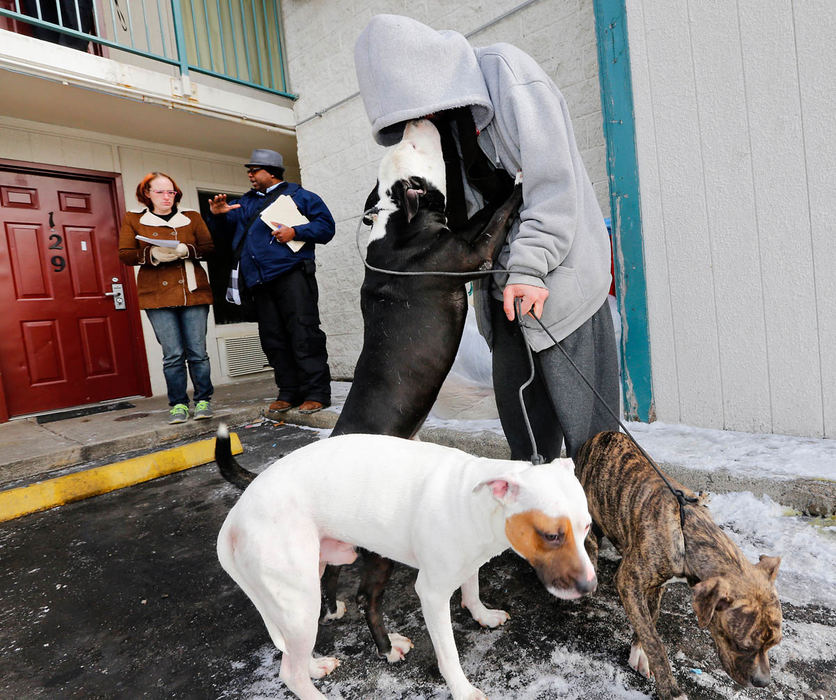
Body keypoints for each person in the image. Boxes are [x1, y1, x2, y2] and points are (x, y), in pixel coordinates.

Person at [354, 15, 620, 461]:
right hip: (503, 295)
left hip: (559, 281)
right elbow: (458, 217)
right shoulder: (440, 126)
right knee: (528, 445)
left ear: (431, 72)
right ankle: (539, 527)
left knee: (594, 449)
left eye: (417, 106)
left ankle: (600, 529)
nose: (420, 120)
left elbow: (554, 186)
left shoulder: (508, 76)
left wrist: (531, 266)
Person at [208, 149, 335, 414]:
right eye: (250, 171)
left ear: (272, 172)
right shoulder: (245, 202)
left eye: (254, 170)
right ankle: (288, 392)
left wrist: (296, 231)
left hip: (293, 274)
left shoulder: (302, 196)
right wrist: (219, 215)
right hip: (259, 281)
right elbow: (223, 238)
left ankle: (316, 393)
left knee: (304, 333)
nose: (250, 175)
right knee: (273, 339)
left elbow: (326, 227)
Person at [118, 172, 215, 424]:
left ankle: (204, 400)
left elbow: (208, 248)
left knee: (198, 352)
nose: (166, 196)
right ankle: (179, 405)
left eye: (170, 191)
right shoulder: (134, 218)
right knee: (172, 354)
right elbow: (126, 254)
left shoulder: (191, 217)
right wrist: (152, 254)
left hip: (192, 293)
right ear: (147, 194)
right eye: (159, 191)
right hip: (156, 295)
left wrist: (187, 250)